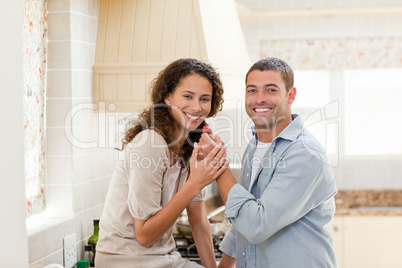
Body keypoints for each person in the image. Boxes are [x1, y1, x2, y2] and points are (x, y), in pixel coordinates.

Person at [95, 58, 230, 268]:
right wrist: (195, 182)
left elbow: (198, 218)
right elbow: (145, 235)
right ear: (167, 97)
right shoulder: (150, 143)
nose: (196, 106)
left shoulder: (188, 147)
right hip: (126, 261)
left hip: (164, 259)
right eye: (187, 96)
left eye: (205, 99)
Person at [211, 57, 338, 267]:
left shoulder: (304, 153)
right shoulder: (254, 147)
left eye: (271, 90)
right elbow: (243, 217)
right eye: (252, 90)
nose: (259, 99)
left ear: (291, 95)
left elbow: (256, 224)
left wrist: (218, 166)